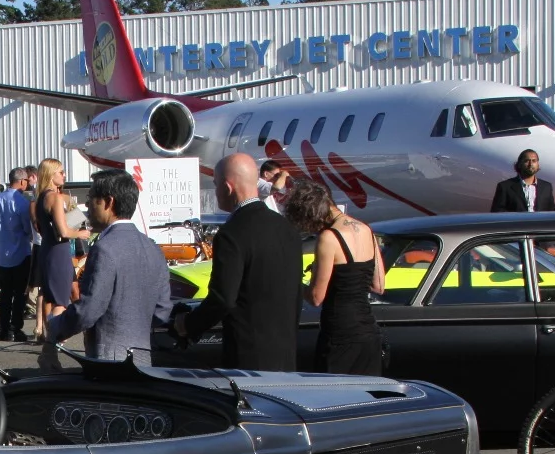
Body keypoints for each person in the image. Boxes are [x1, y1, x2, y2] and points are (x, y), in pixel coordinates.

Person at [173, 153, 304, 371]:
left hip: (247, 357)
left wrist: (187, 325)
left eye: (216, 185)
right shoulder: (287, 229)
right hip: (286, 353)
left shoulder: (232, 234)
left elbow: (223, 298)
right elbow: (296, 293)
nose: (216, 191)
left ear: (227, 187)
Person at [46, 169, 170, 365]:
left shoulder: (104, 248)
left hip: (109, 359)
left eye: (91, 198)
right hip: (143, 359)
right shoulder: (153, 248)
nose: (87, 205)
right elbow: (162, 311)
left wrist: (55, 326)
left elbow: (88, 310)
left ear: (109, 202)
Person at [284, 179, 385, 376]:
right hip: (368, 331)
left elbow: (316, 297)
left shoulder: (328, 238)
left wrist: (295, 283)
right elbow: (379, 285)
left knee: (334, 390)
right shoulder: (366, 229)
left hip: (340, 331)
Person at [32, 158, 90, 334]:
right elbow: (64, 231)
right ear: (51, 175)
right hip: (59, 252)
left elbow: (45, 228)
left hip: (48, 250)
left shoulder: (41, 198)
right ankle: (54, 340)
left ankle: (49, 336)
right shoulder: (55, 198)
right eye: (61, 172)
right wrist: (81, 233)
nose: (64, 175)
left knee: (51, 297)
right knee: (60, 301)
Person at [0, 167, 34, 342]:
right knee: (20, 294)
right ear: (22, 181)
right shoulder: (22, 202)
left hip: (2, 252)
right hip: (20, 252)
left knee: (5, 293)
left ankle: (2, 327)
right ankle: (15, 328)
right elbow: (27, 229)